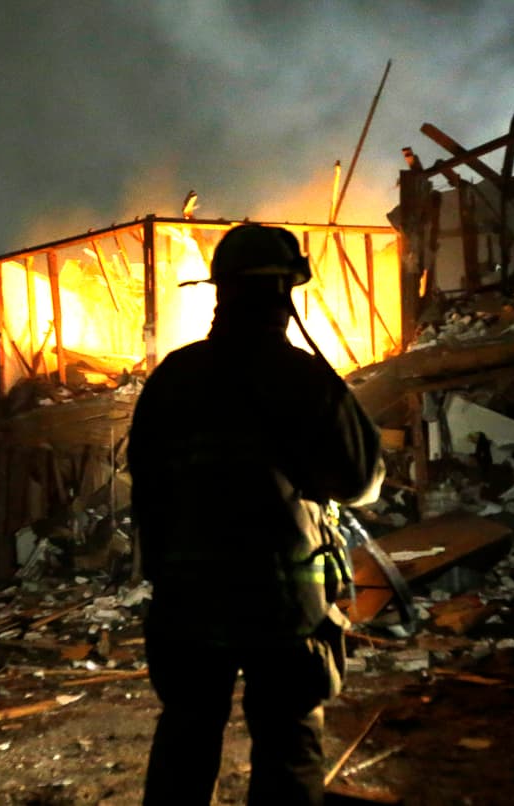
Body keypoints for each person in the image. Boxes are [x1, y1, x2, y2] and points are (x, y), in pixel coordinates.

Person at [128, 223, 384, 805]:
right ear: (285, 293)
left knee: (185, 739)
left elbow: (145, 488)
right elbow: (361, 481)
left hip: (187, 602)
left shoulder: (172, 379)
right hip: (285, 606)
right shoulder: (304, 380)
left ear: (222, 291)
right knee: (289, 743)